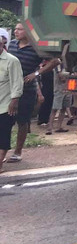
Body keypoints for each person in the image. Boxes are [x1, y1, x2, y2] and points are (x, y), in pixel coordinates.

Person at [6, 23, 55, 163]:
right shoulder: (12, 45)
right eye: (15, 29)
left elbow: (55, 61)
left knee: (22, 121)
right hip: (8, 90)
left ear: (28, 32)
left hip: (27, 90)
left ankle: (17, 152)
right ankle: (4, 149)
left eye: (20, 29)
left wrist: (36, 73)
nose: (16, 31)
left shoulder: (36, 48)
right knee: (5, 120)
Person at [0, 33, 24, 173]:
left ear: (2, 45)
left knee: (3, 135)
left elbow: (17, 83)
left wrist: (14, 102)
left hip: (5, 106)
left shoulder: (11, 61)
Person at [45, 64, 71, 136]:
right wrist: (69, 76)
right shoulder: (58, 65)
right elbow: (61, 77)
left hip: (67, 89)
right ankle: (50, 127)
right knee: (55, 109)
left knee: (63, 108)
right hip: (59, 90)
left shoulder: (67, 65)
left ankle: (58, 126)